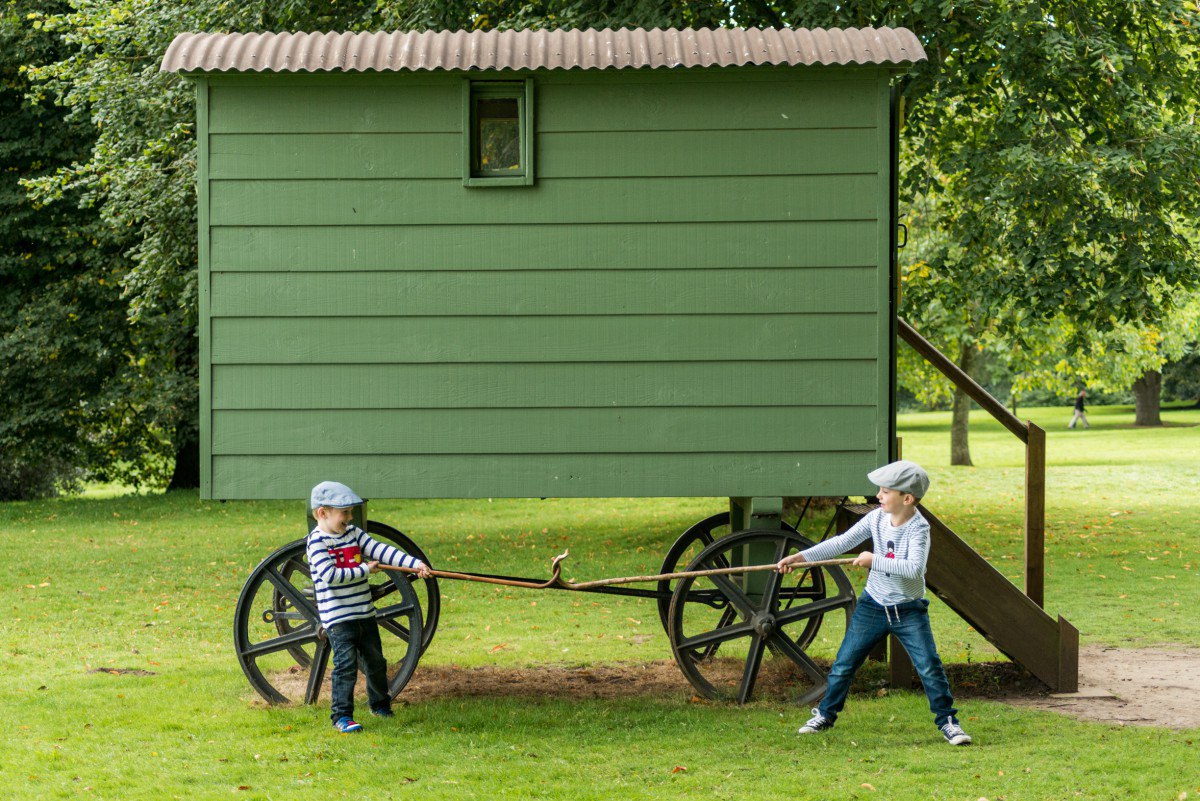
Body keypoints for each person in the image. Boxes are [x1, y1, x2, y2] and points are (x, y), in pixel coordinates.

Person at [775, 460, 971, 746]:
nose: (878, 495)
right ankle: (825, 715)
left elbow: (915, 569)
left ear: (907, 498)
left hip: (908, 610)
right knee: (844, 664)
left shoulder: (919, 529)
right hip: (873, 606)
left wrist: (873, 560)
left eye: (885, 491)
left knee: (929, 666)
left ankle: (949, 723)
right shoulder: (876, 518)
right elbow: (840, 542)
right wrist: (801, 558)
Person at [307, 481, 433, 734]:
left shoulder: (353, 534)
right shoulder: (316, 543)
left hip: (364, 614)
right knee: (345, 666)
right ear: (323, 513)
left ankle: (380, 705)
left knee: (376, 662)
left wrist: (414, 564)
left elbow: (382, 550)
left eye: (350, 511)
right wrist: (366, 569)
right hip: (338, 620)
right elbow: (331, 576)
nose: (350, 517)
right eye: (345, 512)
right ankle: (342, 717)